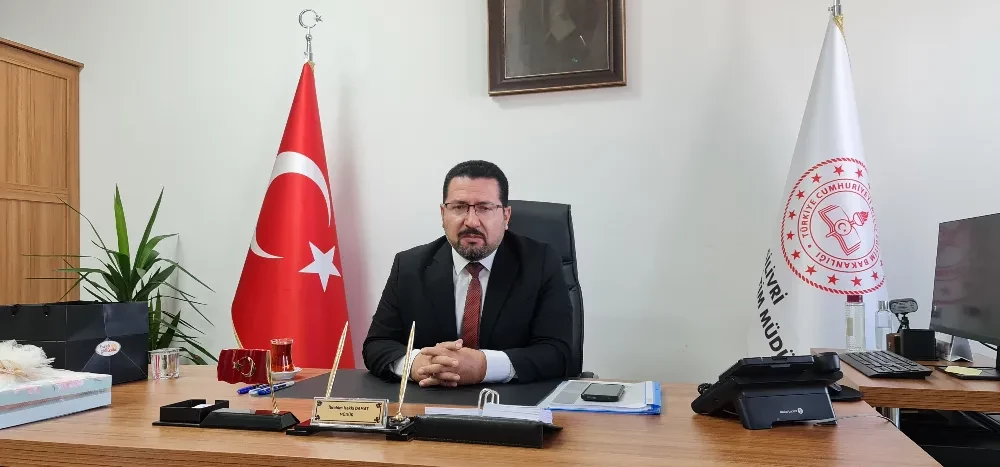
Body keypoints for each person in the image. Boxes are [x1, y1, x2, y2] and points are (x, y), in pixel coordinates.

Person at [363, 160, 573, 386]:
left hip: (510, 402)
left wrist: (484, 366)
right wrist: (415, 364)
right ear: (443, 214)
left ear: (506, 216)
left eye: (484, 208)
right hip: (429, 398)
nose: (471, 221)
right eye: (459, 207)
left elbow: (558, 353)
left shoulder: (540, 262)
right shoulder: (409, 266)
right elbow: (377, 344)